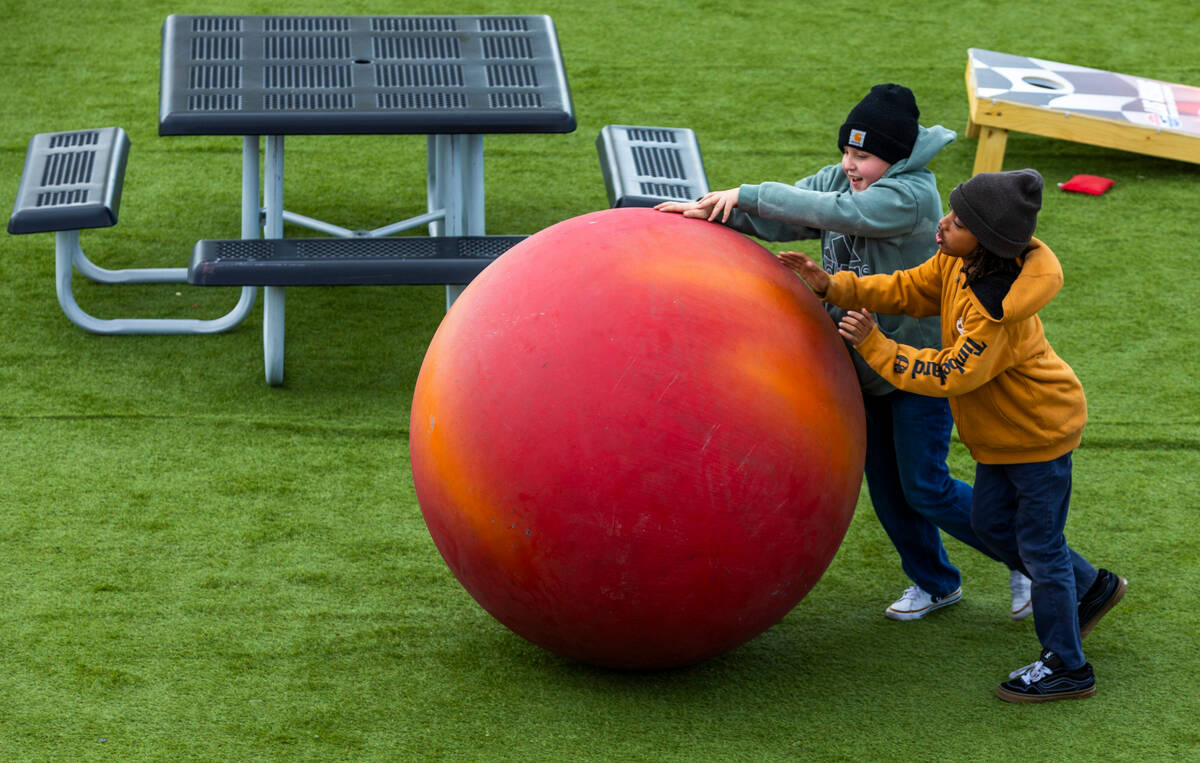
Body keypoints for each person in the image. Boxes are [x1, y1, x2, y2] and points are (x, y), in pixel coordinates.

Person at [655, 83, 1032, 622]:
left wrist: (749, 192)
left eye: (863, 155)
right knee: (887, 489)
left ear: (896, 157)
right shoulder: (846, 180)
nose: (850, 165)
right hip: (864, 365)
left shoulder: (912, 195)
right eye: (846, 152)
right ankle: (935, 583)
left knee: (926, 486)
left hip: (915, 370)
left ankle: (1030, 557)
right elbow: (792, 210)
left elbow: (838, 212)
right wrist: (711, 212)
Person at [783, 168, 1126, 701]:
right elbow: (913, 287)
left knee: (1040, 551)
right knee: (990, 527)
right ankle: (1088, 586)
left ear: (985, 239)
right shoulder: (957, 260)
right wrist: (833, 285)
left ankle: (1067, 665)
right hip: (998, 440)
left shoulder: (995, 312)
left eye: (958, 221)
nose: (942, 225)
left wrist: (874, 344)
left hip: (1038, 439)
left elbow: (949, 374)